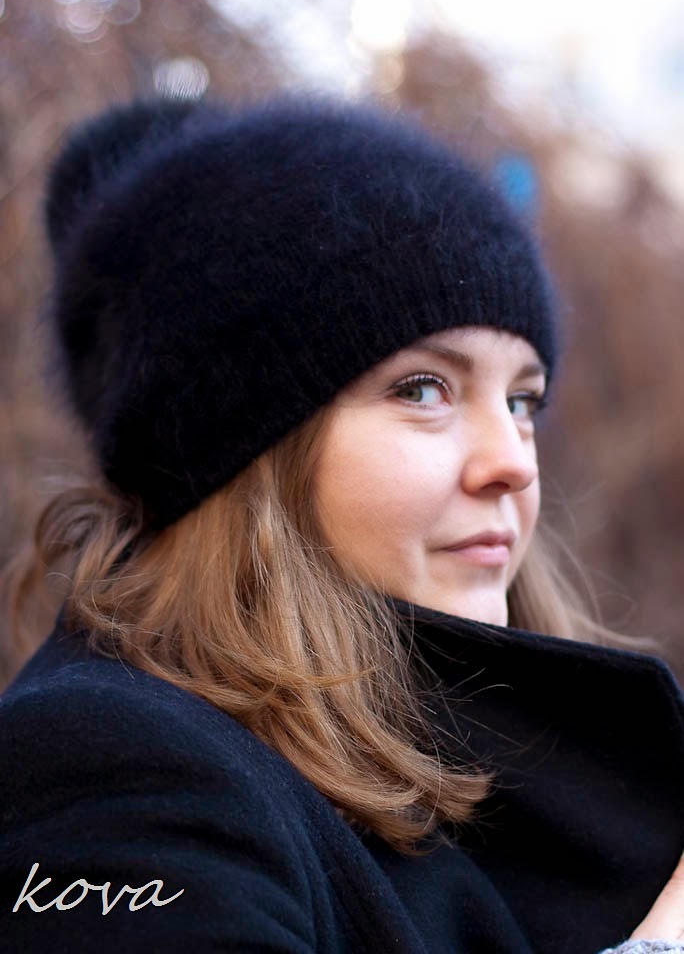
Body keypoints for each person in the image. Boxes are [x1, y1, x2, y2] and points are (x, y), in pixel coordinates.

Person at [0, 96, 682, 954]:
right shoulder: (115, 775)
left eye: (522, 401)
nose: (513, 460)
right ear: (244, 447)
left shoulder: (478, 766)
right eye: (424, 389)